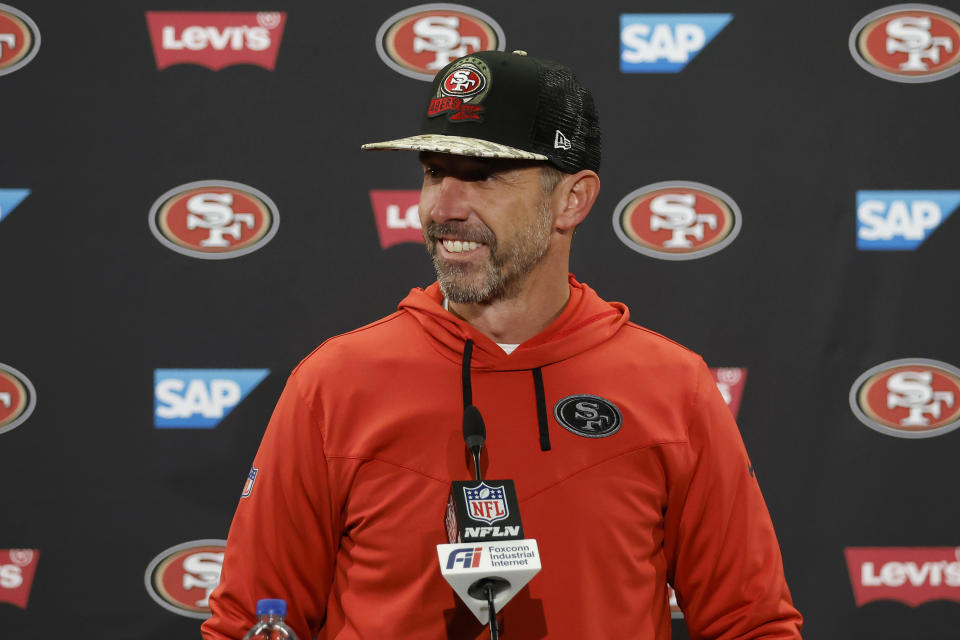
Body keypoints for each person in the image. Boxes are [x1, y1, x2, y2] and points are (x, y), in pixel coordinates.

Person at [202, 50, 803, 640]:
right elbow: (252, 624)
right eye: (434, 172)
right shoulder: (333, 383)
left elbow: (750, 624)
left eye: (482, 177)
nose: (444, 208)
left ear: (573, 200)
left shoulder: (673, 388)